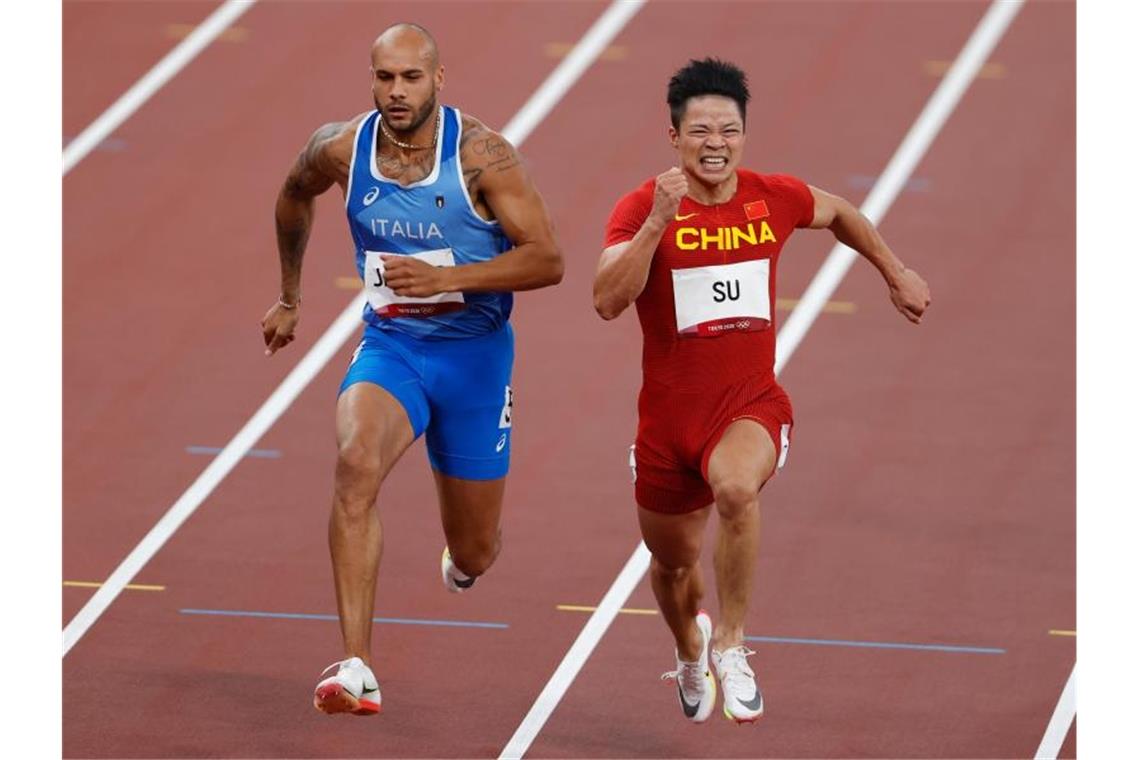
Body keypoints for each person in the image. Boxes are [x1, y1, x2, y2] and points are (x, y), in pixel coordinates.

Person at [593, 58, 930, 724]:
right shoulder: (642, 206)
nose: (714, 142)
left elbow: (841, 212)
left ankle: (732, 644)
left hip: (747, 407)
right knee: (671, 564)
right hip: (666, 427)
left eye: (729, 130)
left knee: (737, 488)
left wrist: (894, 271)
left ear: (743, 136)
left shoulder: (772, 197)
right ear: (674, 137)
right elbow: (607, 299)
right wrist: (659, 222)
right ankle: (690, 646)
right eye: (700, 131)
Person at [260, 23, 563, 716]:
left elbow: (548, 259)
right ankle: (357, 665)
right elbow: (291, 194)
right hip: (392, 347)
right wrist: (288, 295)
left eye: (411, 78)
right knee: (356, 460)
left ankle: (461, 562)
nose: (396, 92)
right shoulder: (342, 147)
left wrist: (448, 275)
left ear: (438, 78)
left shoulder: (484, 157)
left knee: (478, 549)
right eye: (384, 78)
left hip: (474, 359)